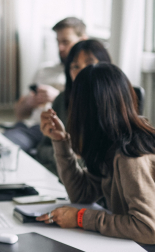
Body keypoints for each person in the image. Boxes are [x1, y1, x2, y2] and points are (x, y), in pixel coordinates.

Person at [37, 63, 155, 246]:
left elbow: (148, 228)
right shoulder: (109, 143)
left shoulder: (130, 154)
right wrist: (60, 141)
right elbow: (82, 193)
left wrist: (82, 218)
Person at [4, 17, 88, 152]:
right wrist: (29, 103)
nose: (60, 48)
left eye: (66, 42)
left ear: (83, 40)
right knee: (1, 147)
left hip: (62, 132)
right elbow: (19, 114)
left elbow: (88, 115)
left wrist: (58, 98)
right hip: (32, 128)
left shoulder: (87, 74)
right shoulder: (45, 70)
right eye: (58, 42)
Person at [35, 40, 112, 174]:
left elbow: (101, 166)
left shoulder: (112, 105)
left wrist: (65, 157)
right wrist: (65, 154)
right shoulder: (62, 99)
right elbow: (42, 149)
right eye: (75, 66)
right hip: (58, 175)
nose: (83, 71)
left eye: (90, 64)